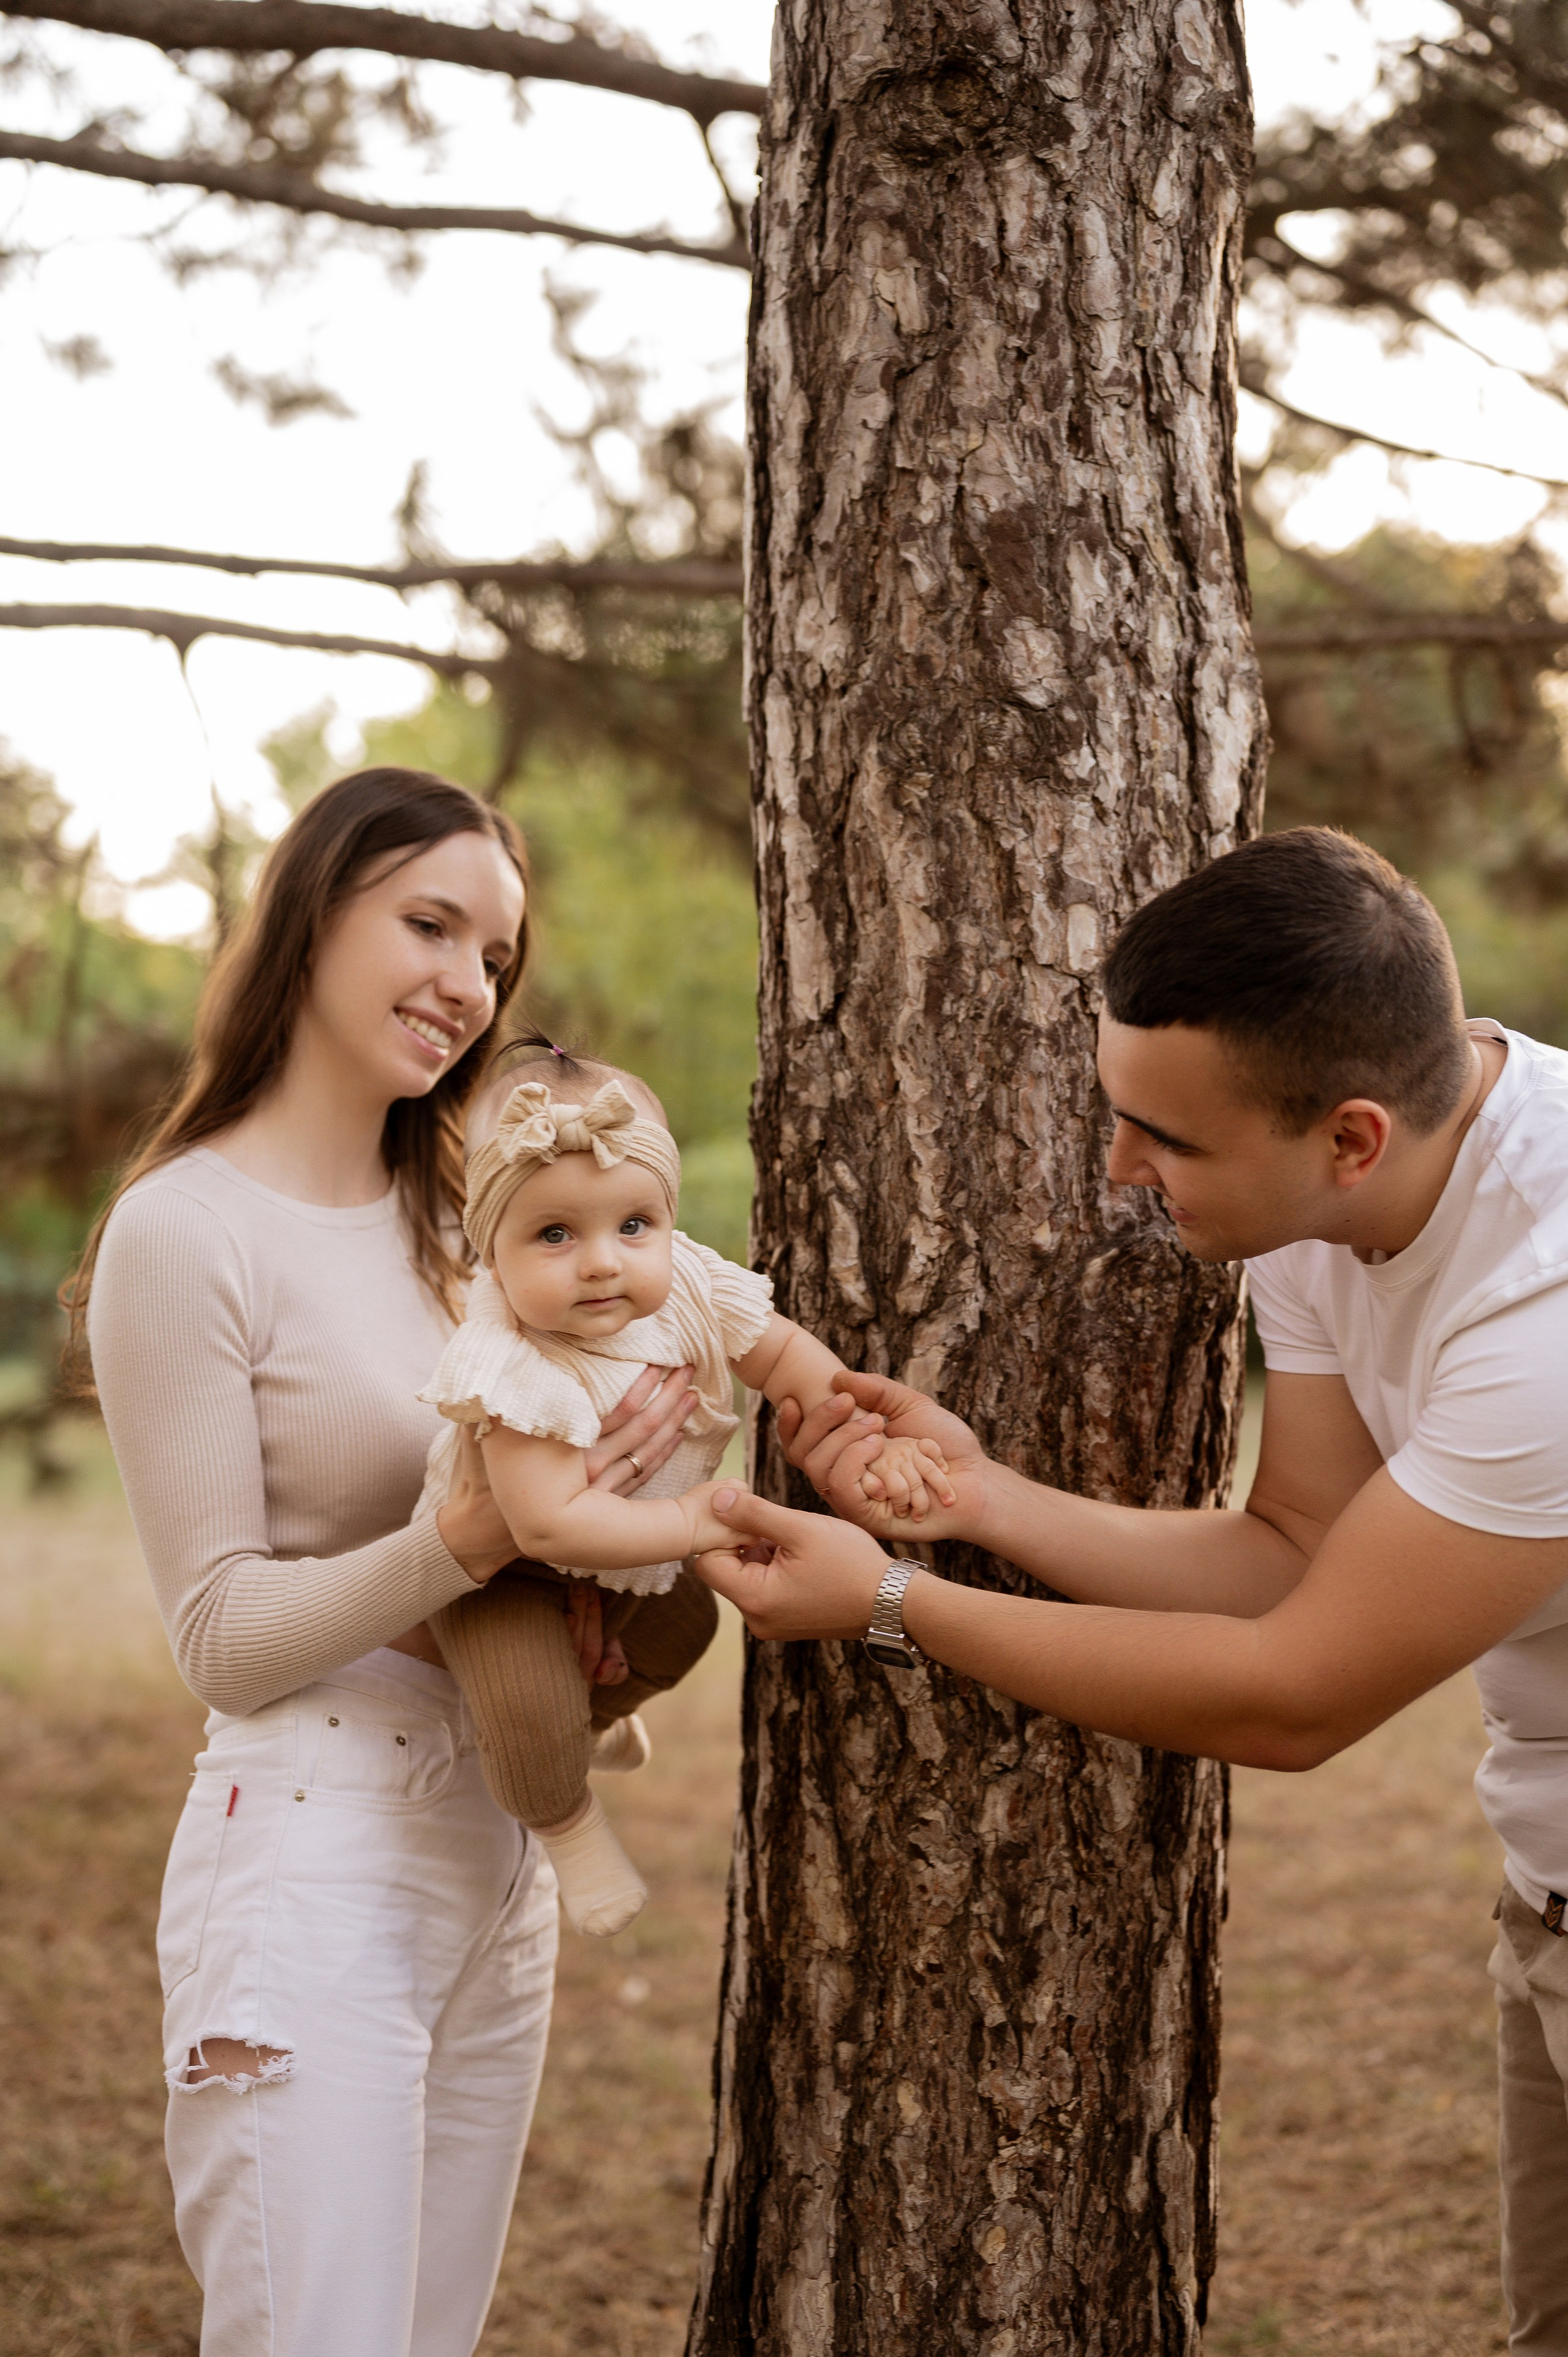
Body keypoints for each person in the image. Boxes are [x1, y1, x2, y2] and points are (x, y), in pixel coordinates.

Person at [695, 826, 1568, 2353]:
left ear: (1350, 1136)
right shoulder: (1319, 1197)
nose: (1119, 1170)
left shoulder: (1544, 1311)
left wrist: (892, 1603)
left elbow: (1296, 1694)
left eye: (1164, 1140)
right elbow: (1291, 1544)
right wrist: (977, 1499)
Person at [75, 769, 699, 2357]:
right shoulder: (185, 1231)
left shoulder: (468, 1223)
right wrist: (461, 1539)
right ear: (315, 905)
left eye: (494, 955)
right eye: (429, 923)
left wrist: (609, 1569)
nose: (466, 986)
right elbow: (218, 1635)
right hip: (311, 1852)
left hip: (495, 1865)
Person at [420, 1046, 952, 1939]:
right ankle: (563, 1815)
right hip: (502, 1572)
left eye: (634, 1226)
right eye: (554, 1235)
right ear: (492, 1249)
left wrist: (855, 1428)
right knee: (525, 1708)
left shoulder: (692, 1290)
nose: (601, 1264)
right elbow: (547, 1527)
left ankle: (594, 1718)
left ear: (668, 1219)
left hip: (627, 1551)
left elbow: (783, 1356)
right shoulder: (508, 1359)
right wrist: (691, 1519)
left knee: (691, 1625)